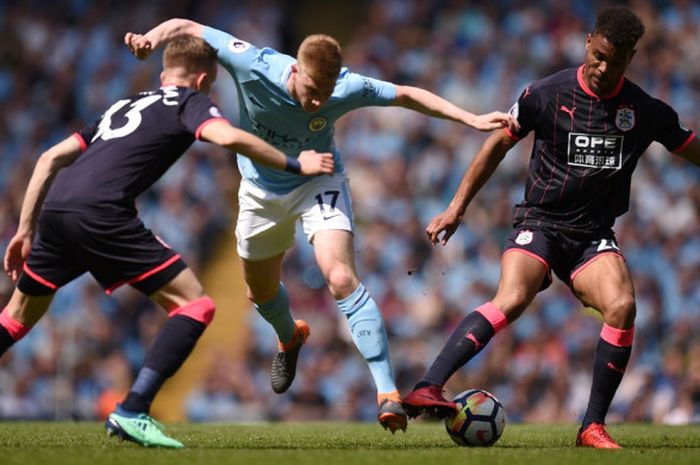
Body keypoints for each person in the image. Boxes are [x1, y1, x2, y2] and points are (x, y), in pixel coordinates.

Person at [124, 18, 519, 434]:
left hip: (320, 181)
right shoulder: (252, 63)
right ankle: (289, 337)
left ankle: (387, 393)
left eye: (325, 95)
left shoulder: (346, 86)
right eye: (312, 92)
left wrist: (469, 119)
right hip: (260, 191)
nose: (317, 104)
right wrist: (151, 38)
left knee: (340, 275)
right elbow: (190, 25)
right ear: (295, 70)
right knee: (259, 291)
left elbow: (404, 95)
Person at [1, 36, 333, 448]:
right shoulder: (189, 101)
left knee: (16, 316)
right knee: (195, 305)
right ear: (204, 78)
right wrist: (294, 162)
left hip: (56, 210)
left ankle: (132, 409)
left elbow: (48, 158)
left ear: (163, 74)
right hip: (101, 212)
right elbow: (227, 138)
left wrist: (25, 229)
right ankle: (132, 410)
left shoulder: (121, 105)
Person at [401, 6, 699, 448]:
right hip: (540, 221)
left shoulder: (643, 110)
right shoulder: (546, 93)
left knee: (622, 306)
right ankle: (428, 386)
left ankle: (591, 426)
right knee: (514, 297)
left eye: (614, 61)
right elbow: (495, 148)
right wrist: (456, 208)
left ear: (630, 58)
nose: (602, 67)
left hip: (592, 235)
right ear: (587, 42)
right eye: (598, 55)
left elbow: (690, 147)